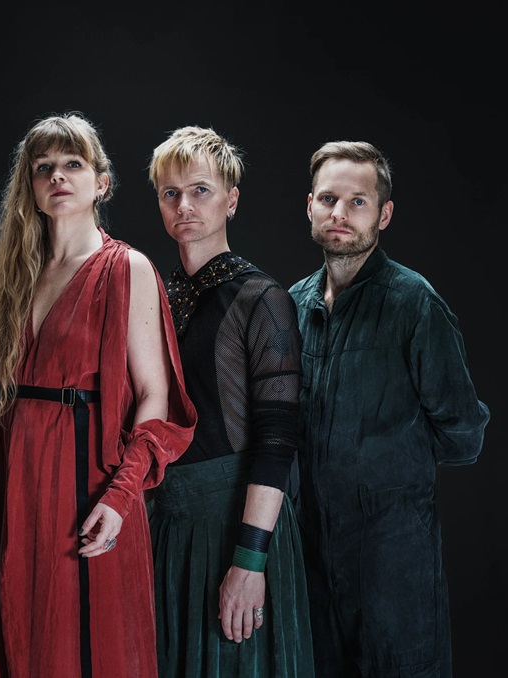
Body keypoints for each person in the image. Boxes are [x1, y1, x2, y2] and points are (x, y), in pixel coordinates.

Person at [0, 112, 197, 678]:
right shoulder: (17, 274)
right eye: (43, 167)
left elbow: (155, 396)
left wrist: (120, 497)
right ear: (30, 186)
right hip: (15, 473)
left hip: (89, 479)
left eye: (73, 164)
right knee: (13, 625)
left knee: (82, 642)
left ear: (102, 182)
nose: (57, 176)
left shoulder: (127, 268)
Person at [288, 140, 491, 677]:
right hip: (310, 560)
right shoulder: (293, 306)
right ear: (310, 206)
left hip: (394, 562)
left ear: (384, 214)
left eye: (358, 201)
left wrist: (386, 470)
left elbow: (463, 434)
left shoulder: (413, 303)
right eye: (329, 199)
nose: (340, 213)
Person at [145, 126, 315, 678]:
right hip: (168, 527)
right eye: (171, 193)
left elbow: (278, 442)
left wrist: (249, 561)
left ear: (231, 200)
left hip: (239, 528)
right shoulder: (153, 299)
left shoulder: (263, 298)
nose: (184, 206)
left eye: (200, 190)